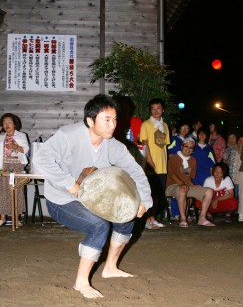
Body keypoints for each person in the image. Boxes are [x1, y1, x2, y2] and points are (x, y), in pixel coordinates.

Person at [34, 94, 152, 299]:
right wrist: (69, 184)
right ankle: (81, 282)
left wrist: (144, 200)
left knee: (128, 215)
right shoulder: (68, 136)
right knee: (99, 226)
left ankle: (110, 268)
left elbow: (135, 171)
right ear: (90, 120)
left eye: (115, 119)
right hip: (62, 199)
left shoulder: (113, 146)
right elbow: (41, 159)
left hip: (95, 198)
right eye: (107, 119)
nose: (112, 124)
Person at [166, 137, 215, 228]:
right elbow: (172, 174)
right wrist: (182, 184)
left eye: (191, 147)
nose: (188, 149)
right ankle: (183, 219)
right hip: (172, 186)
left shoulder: (193, 160)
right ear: (181, 146)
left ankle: (202, 218)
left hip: (186, 185)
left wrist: (192, 185)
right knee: (183, 189)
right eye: (186, 146)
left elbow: (189, 178)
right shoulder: (173, 158)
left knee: (209, 191)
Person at [139, 98, 170, 229]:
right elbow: (145, 145)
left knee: (159, 194)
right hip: (151, 166)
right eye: (153, 108)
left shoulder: (165, 126)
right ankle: (146, 220)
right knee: (149, 193)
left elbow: (164, 146)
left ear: (163, 110)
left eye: (158, 108)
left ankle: (153, 218)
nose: (156, 111)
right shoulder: (146, 124)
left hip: (162, 166)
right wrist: (151, 163)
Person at [0, 113, 29, 226]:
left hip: (17, 166)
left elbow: (26, 150)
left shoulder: (21, 135)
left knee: (16, 191)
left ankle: (16, 218)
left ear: (14, 124)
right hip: (4, 166)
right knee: (3, 191)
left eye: (9, 122)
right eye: (4, 122)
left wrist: (15, 147)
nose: (7, 124)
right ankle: (2, 217)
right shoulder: (2, 136)